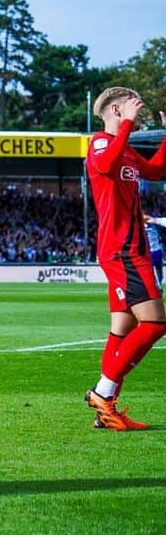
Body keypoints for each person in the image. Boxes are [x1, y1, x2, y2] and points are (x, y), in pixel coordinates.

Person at [84, 87, 166, 430]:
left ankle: (106, 409)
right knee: (156, 322)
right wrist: (129, 125)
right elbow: (104, 163)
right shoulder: (101, 143)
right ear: (116, 109)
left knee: (124, 327)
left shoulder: (126, 150)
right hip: (124, 249)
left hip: (127, 248)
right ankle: (103, 394)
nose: (138, 112)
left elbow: (156, 171)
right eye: (132, 107)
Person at [143, 212, 166, 282]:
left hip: (157, 251)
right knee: (149, 276)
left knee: (160, 274)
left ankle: (159, 286)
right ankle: (155, 286)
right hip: (146, 253)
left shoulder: (154, 218)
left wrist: (155, 220)